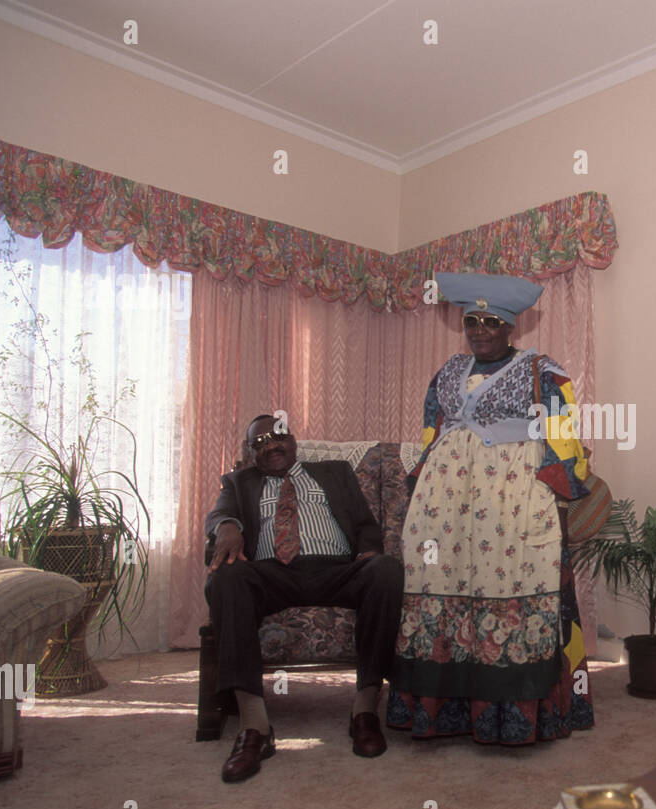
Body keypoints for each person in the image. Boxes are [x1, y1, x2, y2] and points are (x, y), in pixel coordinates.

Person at [386, 272, 595, 745]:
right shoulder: (447, 372)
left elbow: (564, 433)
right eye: (471, 321)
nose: (479, 330)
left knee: (517, 586)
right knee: (438, 583)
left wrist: (560, 492)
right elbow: (430, 430)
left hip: (515, 497)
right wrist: (419, 487)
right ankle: (444, 709)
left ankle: (514, 714)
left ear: (510, 327)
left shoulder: (544, 371)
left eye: (490, 322)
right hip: (447, 501)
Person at [204, 414, 403, 782]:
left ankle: (364, 711)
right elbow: (219, 512)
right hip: (270, 574)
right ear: (251, 454)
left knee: (385, 570)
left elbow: (364, 524)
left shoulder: (335, 471)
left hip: (335, 570)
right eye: (259, 442)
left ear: (293, 441)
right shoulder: (239, 482)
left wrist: (368, 551)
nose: (270, 445)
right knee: (226, 577)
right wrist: (226, 526)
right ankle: (255, 727)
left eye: (277, 436)